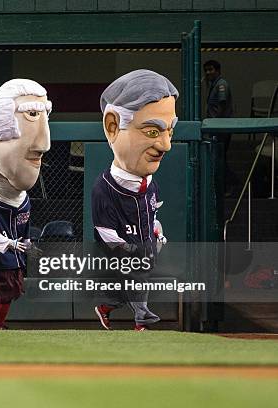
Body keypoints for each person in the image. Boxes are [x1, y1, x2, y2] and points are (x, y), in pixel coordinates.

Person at [92, 69, 177, 331]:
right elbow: (104, 230)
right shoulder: (104, 187)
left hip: (144, 249)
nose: (166, 145)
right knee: (136, 284)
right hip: (124, 254)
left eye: (170, 132)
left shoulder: (150, 185)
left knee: (124, 292)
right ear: (113, 126)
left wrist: (156, 234)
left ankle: (106, 307)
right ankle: (142, 320)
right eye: (153, 131)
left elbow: (152, 215)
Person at [0, 79, 52, 329]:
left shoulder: (24, 200)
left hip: (14, 256)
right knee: (9, 291)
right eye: (30, 115)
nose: (44, 144)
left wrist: (27, 246)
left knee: (15, 291)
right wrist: (14, 244)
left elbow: (23, 230)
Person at [204, 60, 236, 195]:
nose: (208, 73)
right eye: (206, 70)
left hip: (221, 127)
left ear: (218, 71)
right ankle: (227, 185)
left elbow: (222, 104)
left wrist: (217, 122)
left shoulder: (221, 85)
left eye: (211, 70)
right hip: (217, 126)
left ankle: (232, 183)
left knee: (220, 157)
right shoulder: (214, 85)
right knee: (218, 157)